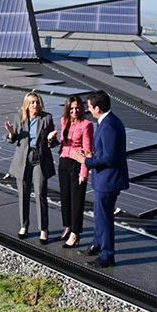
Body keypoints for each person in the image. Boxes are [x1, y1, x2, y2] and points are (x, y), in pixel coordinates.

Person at [69, 90, 129, 268]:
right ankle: (97, 244)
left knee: (104, 218)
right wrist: (93, 154)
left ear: (98, 108)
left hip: (108, 181)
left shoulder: (109, 125)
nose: (88, 110)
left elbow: (110, 158)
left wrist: (86, 161)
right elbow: (108, 152)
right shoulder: (109, 121)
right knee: (99, 216)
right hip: (104, 179)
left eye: (89, 107)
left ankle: (107, 255)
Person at [5, 92, 56, 244]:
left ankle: (43, 229)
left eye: (37, 102)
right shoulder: (19, 117)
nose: (35, 105)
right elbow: (12, 140)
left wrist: (51, 139)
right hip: (23, 159)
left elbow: (52, 143)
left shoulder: (46, 118)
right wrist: (11, 134)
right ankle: (24, 226)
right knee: (23, 193)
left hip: (40, 159)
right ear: (27, 104)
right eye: (32, 102)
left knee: (40, 192)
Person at [55, 95, 94, 248]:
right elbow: (63, 144)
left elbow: (87, 150)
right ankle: (68, 226)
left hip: (77, 164)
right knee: (65, 197)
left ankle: (75, 233)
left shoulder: (86, 125)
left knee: (76, 200)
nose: (74, 111)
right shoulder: (64, 121)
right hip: (64, 162)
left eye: (77, 107)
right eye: (71, 108)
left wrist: (84, 173)